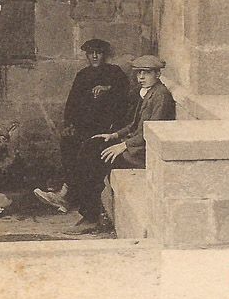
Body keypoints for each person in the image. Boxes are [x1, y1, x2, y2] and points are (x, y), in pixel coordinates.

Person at [61, 54, 176, 231]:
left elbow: (152, 132)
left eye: (146, 73)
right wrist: (114, 135)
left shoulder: (161, 96)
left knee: (95, 158)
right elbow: (134, 125)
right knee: (91, 145)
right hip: (134, 145)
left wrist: (123, 145)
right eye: (138, 73)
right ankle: (84, 205)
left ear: (158, 74)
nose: (141, 77)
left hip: (142, 152)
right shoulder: (147, 92)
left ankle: (91, 216)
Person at [33, 38, 130, 217]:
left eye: (98, 53)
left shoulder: (114, 72)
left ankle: (66, 195)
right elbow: (72, 103)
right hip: (84, 126)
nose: (95, 56)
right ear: (87, 55)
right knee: (68, 143)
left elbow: (125, 95)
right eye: (91, 53)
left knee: (87, 150)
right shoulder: (83, 75)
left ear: (104, 55)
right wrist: (69, 124)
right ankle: (67, 193)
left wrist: (107, 88)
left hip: (107, 128)